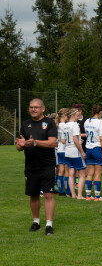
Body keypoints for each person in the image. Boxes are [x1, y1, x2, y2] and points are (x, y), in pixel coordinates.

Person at [15, 99, 58, 235]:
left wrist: (34, 143)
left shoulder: (49, 123)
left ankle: (49, 225)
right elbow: (18, 146)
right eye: (31, 107)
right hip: (31, 166)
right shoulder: (25, 124)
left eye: (36, 107)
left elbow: (52, 143)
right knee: (33, 195)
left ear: (43, 109)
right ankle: (36, 222)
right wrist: (20, 145)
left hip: (47, 165)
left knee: (48, 194)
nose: (33, 109)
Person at [84, 105, 102, 201]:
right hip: (97, 148)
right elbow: (101, 138)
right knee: (98, 174)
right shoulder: (100, 123)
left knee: (90, 173)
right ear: (100, 112)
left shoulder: (87, 121)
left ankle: (88, 195)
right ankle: (97, 197)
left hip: (88, 148)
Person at [63, 108, 87, 199]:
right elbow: (75, 139)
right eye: (77, 115)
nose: (78, 117)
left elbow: (64, 140)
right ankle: (79, 195)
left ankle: (73, 194)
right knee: (82, 174)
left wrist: (76, 141)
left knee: (71, 173)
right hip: (75, 152)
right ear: (72, 115)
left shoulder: (65, 125)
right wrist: (82, 151)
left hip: (67, 152)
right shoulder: (75, 125)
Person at [55, 108, 70, 197]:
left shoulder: (57, 125)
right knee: (67, 171)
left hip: (59, 149)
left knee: (60, 171)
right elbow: (65, 139)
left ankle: (61, 190)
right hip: (65, 149)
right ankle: (68, 191)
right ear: (64, 116)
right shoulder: (65, 126)